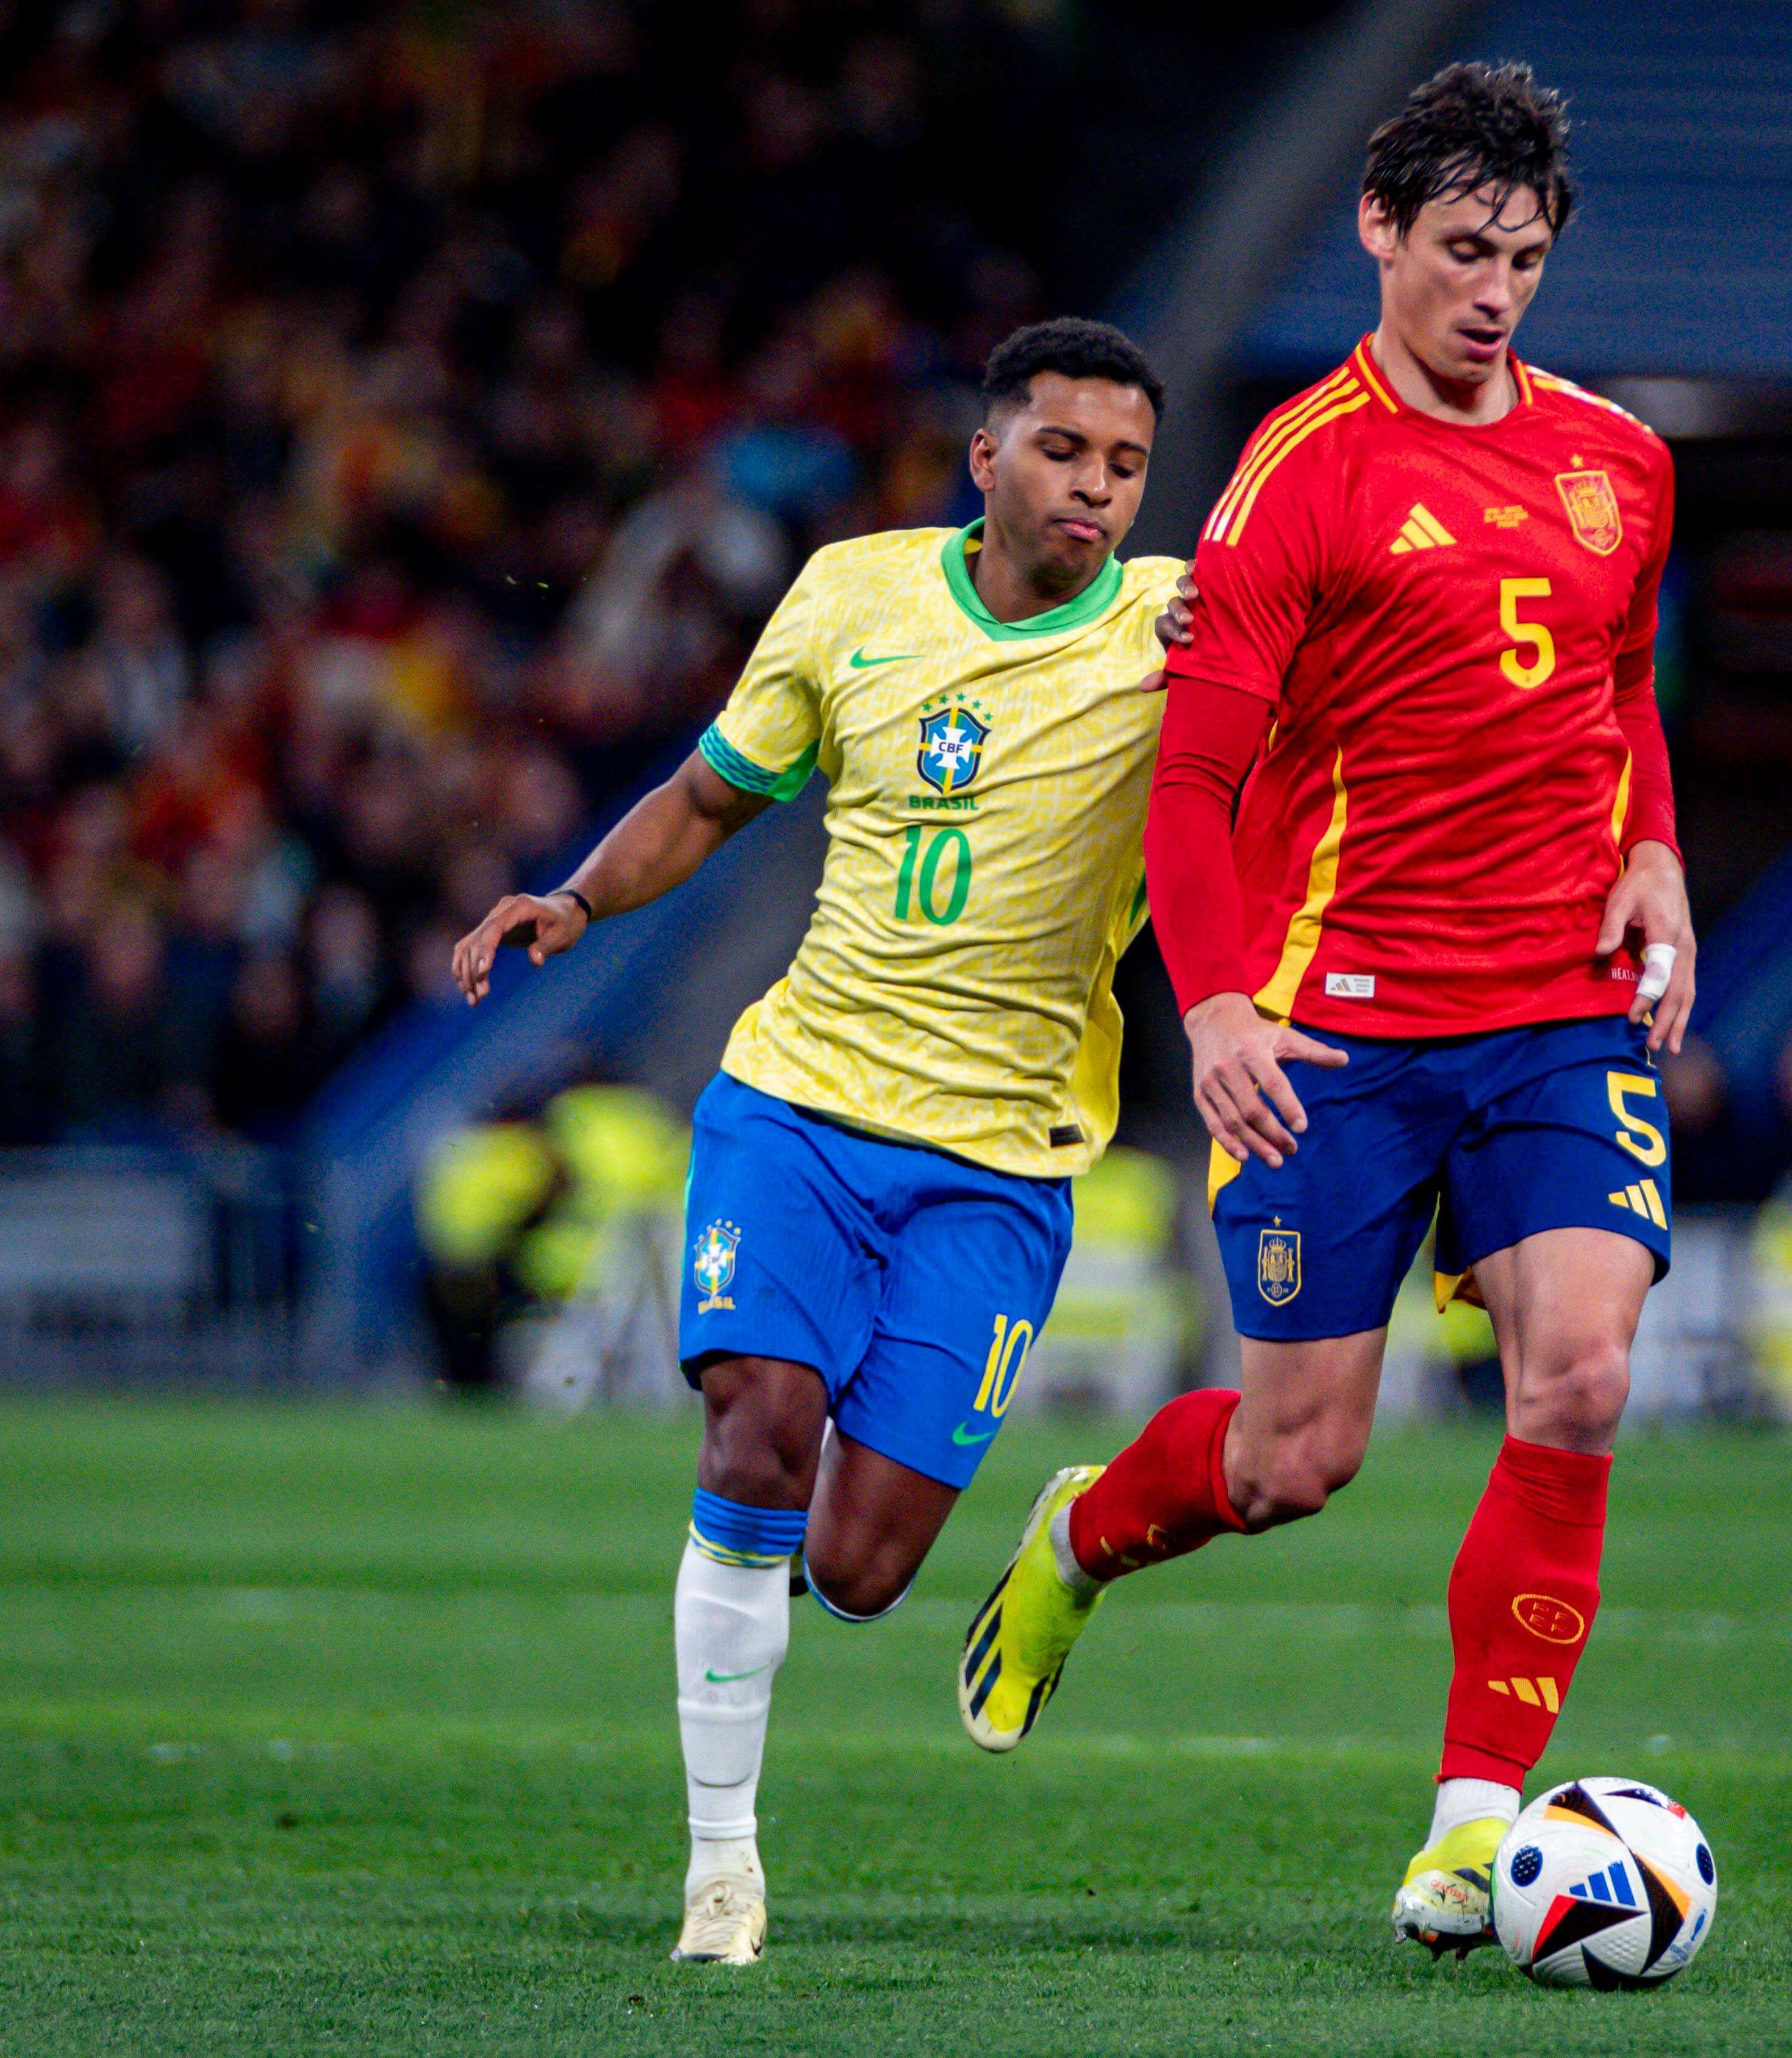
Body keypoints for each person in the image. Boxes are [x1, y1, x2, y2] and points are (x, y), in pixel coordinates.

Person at [956, 62, 1695, 1955]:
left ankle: (1474, 1829)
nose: (1494, 289)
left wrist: (1658, 856)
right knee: (1299, 1458)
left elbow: (1618, 688)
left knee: (1586, 1372)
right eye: (1461, 248)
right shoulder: (1300, 476)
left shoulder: (1625, 461)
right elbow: (1190, 789)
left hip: (1558, 1006)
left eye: (1524, 255)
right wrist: (1210, 1009)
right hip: (1334, 1019)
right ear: (1377, 229)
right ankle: (1077, 1539)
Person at [448, 318, 1183, 1966]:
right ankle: (724, 1873)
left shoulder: (1177, 625)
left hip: (1001, 1162)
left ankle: (1056, 1534)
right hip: (798, 1104)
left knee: (854, 1569)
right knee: (754, 1431)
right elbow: (713, 797)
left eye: (1127, 465)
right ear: (987, 457)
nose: (1097, 488)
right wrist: (574, 895)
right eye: (1065, 451)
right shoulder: (850, 595)